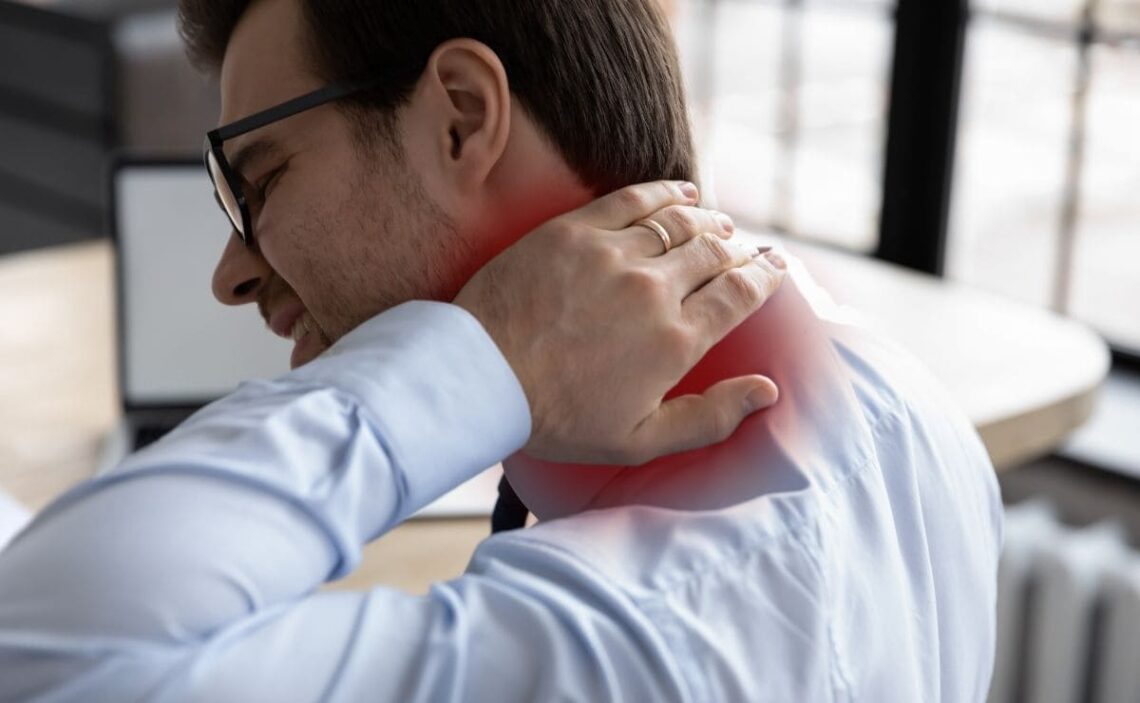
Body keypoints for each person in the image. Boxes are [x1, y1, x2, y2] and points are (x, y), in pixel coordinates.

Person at [0, 1, 1003, 701]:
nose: (231, 272)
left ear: (462, 118)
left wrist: (483, 360)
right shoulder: (902, 400)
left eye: (261, 181)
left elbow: (47, 657)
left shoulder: (629, 646)